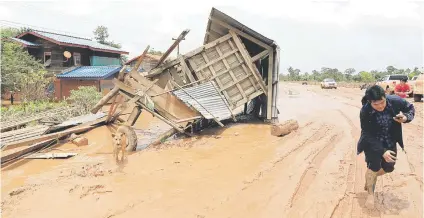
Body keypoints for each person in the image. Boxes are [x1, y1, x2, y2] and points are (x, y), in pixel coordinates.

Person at [358, 85, 415, 209]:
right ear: (370, 102)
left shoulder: (395, 100)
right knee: (374, 166)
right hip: (372, 141)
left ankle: (369, 178)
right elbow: (366, 133)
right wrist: (382, 151)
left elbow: (410, 108)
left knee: (389, 168)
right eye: (376, 104)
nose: (380, 106)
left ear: (385, 96)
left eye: (382, 102)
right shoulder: (365, 111)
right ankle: (370, 195)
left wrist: (406, 118)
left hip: (390, 140)